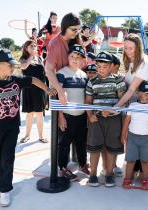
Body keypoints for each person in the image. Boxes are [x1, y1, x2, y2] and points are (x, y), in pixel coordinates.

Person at [0, 49, 56, 207]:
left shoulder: (16, 80)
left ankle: (5, 190)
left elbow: (33, 80)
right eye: (10, 65)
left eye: (13, 65)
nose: (13, 68)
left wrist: (47, 90)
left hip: (12, 127)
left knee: (7, 158)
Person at [113, 33, 148, 176]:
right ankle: (134, 169)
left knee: (141, 136)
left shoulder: (144, 64)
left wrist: (117, 105)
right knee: (133, 136)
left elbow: (132, 89)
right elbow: (127, 84)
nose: (128, 51)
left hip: (144, 108)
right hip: (133, 105)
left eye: (131, 48)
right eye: (125, 48)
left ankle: (142, 171)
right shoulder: (130, 62)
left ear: (138, 48)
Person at [85, 51, 127, 187]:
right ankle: (93, 175)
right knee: (94, 148)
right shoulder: (91, 82)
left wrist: (110, 111)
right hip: (96, 120)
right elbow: (88, 101)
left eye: (105, 66)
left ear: (111, 66)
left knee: (112, 148)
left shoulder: (118, 80)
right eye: (99, 66)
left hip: (114, 120)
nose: (101, 69)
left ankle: (109, 175)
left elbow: (123, 100)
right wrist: (90, 115)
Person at [121, 82, 148, 190]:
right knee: (130, 160)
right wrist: (123, 134)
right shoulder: (132, 106)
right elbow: (126, 121)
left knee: (145, 161)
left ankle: (145, 180)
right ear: (139, 93)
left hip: (147, 139)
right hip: (132, 137)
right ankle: (127, 179)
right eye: (146, 93)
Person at [56, 44, 89, 181]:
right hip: (67, 116)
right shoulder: (62, 73)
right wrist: (60, 116)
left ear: (82, 59)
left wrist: (87, 115)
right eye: (72, 57)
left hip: (81, 116)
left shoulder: (84, 75)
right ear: (68, 57)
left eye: (78, 57)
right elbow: (57, 97)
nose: (75, 60)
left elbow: (86, 96)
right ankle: (62, 168)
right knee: (64, 144)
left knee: (81, 142)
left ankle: (82, 164)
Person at [45, 12, 82, 104]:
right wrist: (60, 90)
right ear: (65, 27)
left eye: (78, 29)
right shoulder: (54, 43)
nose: (76, 32)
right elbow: (49, 70)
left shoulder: (77, 40)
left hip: (78, 85)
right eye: (74, 29)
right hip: (63, 88)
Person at [19, 40, 48, 143]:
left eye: (35, 46)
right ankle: (27, 135)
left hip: (40, 89)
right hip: (29, 89)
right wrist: (31, 55)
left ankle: (41, 136)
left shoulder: (39, 59)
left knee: (40, 113)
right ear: (26, 48)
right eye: (31, 46)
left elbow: (45, 73)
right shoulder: (24, 59)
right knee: (30, 114)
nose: (34, 47)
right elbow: (24, 66)